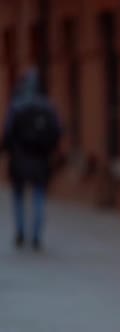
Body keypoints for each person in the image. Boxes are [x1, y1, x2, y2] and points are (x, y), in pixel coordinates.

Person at [1, 69, 61, 250]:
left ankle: (20, 231)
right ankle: (36, 235)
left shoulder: (17, 106)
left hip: (19, 159)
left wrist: (9, 150)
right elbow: (57, 131)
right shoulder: (47, 106)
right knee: (38, 195)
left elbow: (7, 134)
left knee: (19, 197)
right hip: (41, 160)